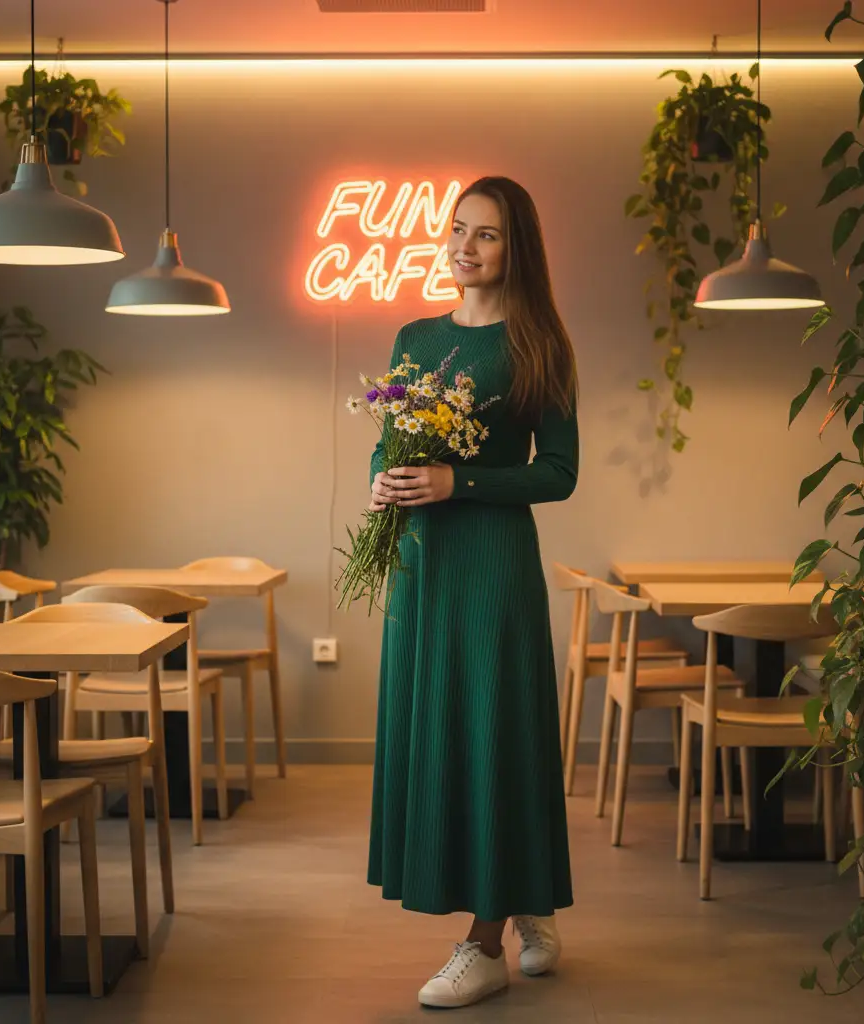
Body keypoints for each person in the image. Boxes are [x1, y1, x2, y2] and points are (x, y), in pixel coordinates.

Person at [367, 175, 579, 1009]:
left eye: (485, 234)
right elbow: (388, 446)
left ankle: (484, 943)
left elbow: (558, 473)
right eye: (457, 229)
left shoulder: (540, 347)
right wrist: (384, 484)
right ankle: (527, 895)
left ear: (513, 246)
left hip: (492, 566)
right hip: (425, 564)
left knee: (494, 731)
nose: (465, 245)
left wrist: (464, 481)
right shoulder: (414, 337)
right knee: (446, 731)